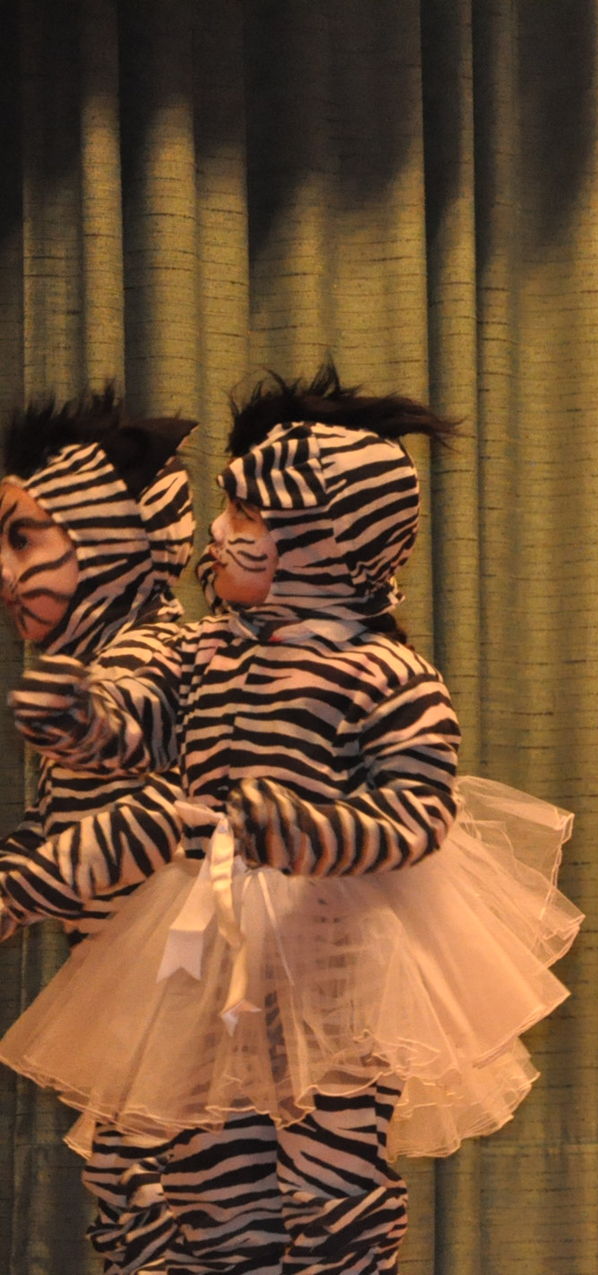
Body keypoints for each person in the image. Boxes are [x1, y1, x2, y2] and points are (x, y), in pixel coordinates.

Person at [1, 365, 579, 1273]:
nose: (217, 534)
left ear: (322, 541)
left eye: (248, 518)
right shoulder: (206, 651)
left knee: (329, 1168)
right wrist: (85, 718)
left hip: (332, 951)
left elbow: (418, 812)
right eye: (228, 511)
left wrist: (304, 829)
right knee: (202, 1164)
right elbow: (142, 726)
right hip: (207, 936)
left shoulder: (387, 673)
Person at [0, 387, 197, 1271]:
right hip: (137, 991)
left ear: (110, 542)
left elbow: (151, 784)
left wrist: (22, 887)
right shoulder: (100, 655)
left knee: (173, 1198)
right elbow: (58, 821)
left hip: (189, 990)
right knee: (128, 1188)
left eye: (23, 539)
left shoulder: (156, 651)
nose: (4, 570)